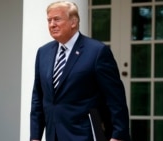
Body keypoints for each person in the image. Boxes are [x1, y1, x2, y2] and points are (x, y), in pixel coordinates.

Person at [30, 1, 131, 141]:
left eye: (57, 19)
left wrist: (118, 136)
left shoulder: (97, 52)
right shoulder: (43, 52)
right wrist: (35, 137)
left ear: (73, 22)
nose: (52, 24)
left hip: (84, 135)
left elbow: (115, 99)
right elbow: (38, 98)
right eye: (49, 20)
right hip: (53, 135)